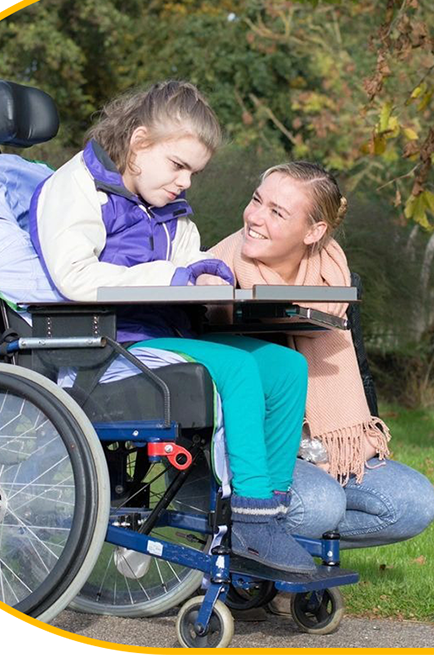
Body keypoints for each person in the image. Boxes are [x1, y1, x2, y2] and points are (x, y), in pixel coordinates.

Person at [29, 81, 316, 574]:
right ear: (139, 144)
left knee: (287, 367)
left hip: (167, 336)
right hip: (107, 349)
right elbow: (73, 277)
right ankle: (250, 520)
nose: (185, 182)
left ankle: (271, 508)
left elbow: (187, 260)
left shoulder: (165, 204)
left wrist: (208, 271)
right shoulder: (76, 188)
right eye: (178, 166)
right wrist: (173, 276)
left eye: (194, 172)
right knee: (239, 370)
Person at [211, 161, 434, 550]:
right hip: (246, 455)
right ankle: (251, 556)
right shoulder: (215, 275)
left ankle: (274, 549)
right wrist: (306, 455)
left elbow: (359, 373)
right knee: (320, 504)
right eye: (257, 200)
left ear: (314, 232)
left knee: (413, 502)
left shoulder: (334, 281)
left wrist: (337, 449)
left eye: (277, 212)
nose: (255, 217)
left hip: (324, 445)